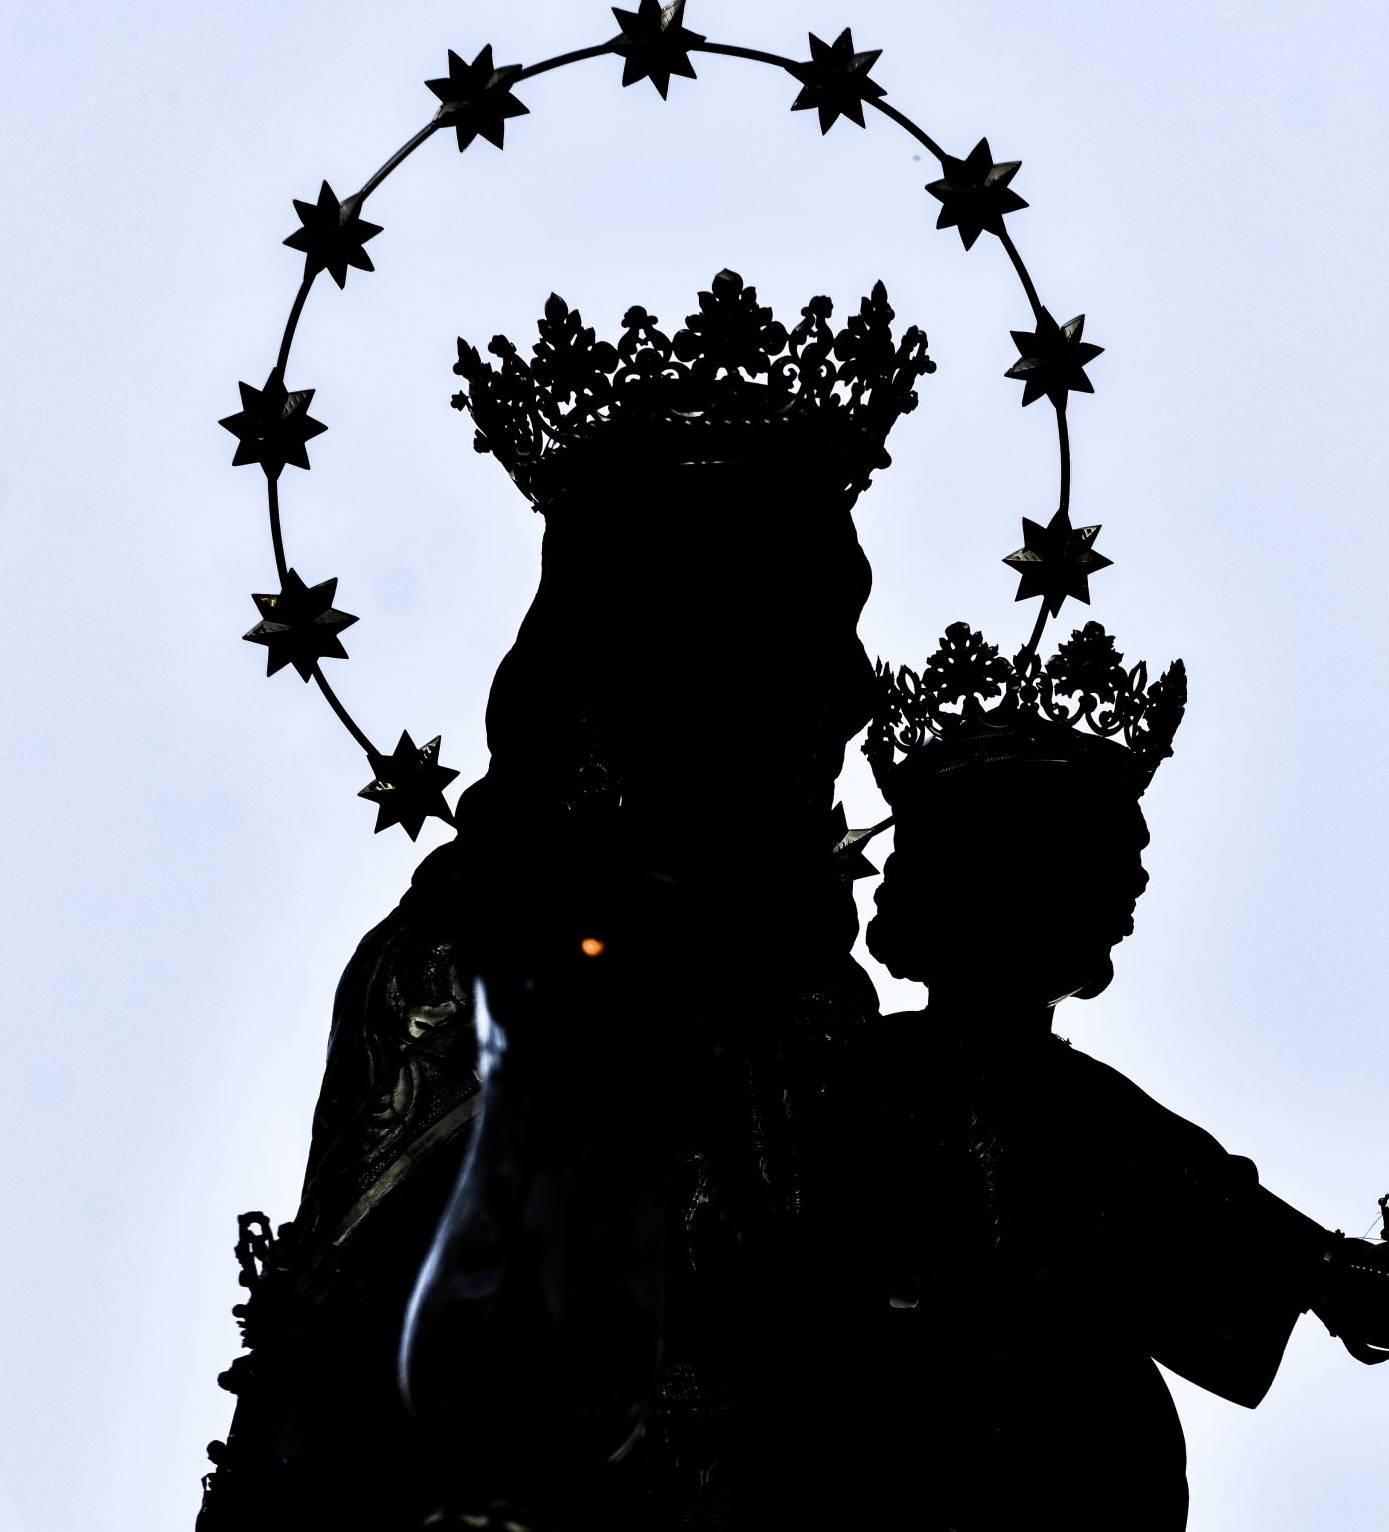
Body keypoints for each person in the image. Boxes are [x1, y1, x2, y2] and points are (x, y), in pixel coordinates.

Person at [200, 272, 932, 1530]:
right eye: (794, 629)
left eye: (835, 633)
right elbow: (349, 1353)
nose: (844, 687)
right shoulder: (463, 959)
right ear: (655, 651)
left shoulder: (809, 990)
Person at [845, 620, 1389, 1531]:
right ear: (1004, 886)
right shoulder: (867, 1073)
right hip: (925, 1450)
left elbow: (1200, 1195)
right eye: (1105, 887)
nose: (1123, 920)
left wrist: (1328, 1268)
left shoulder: (1078, 1099)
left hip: (1079, 1460)